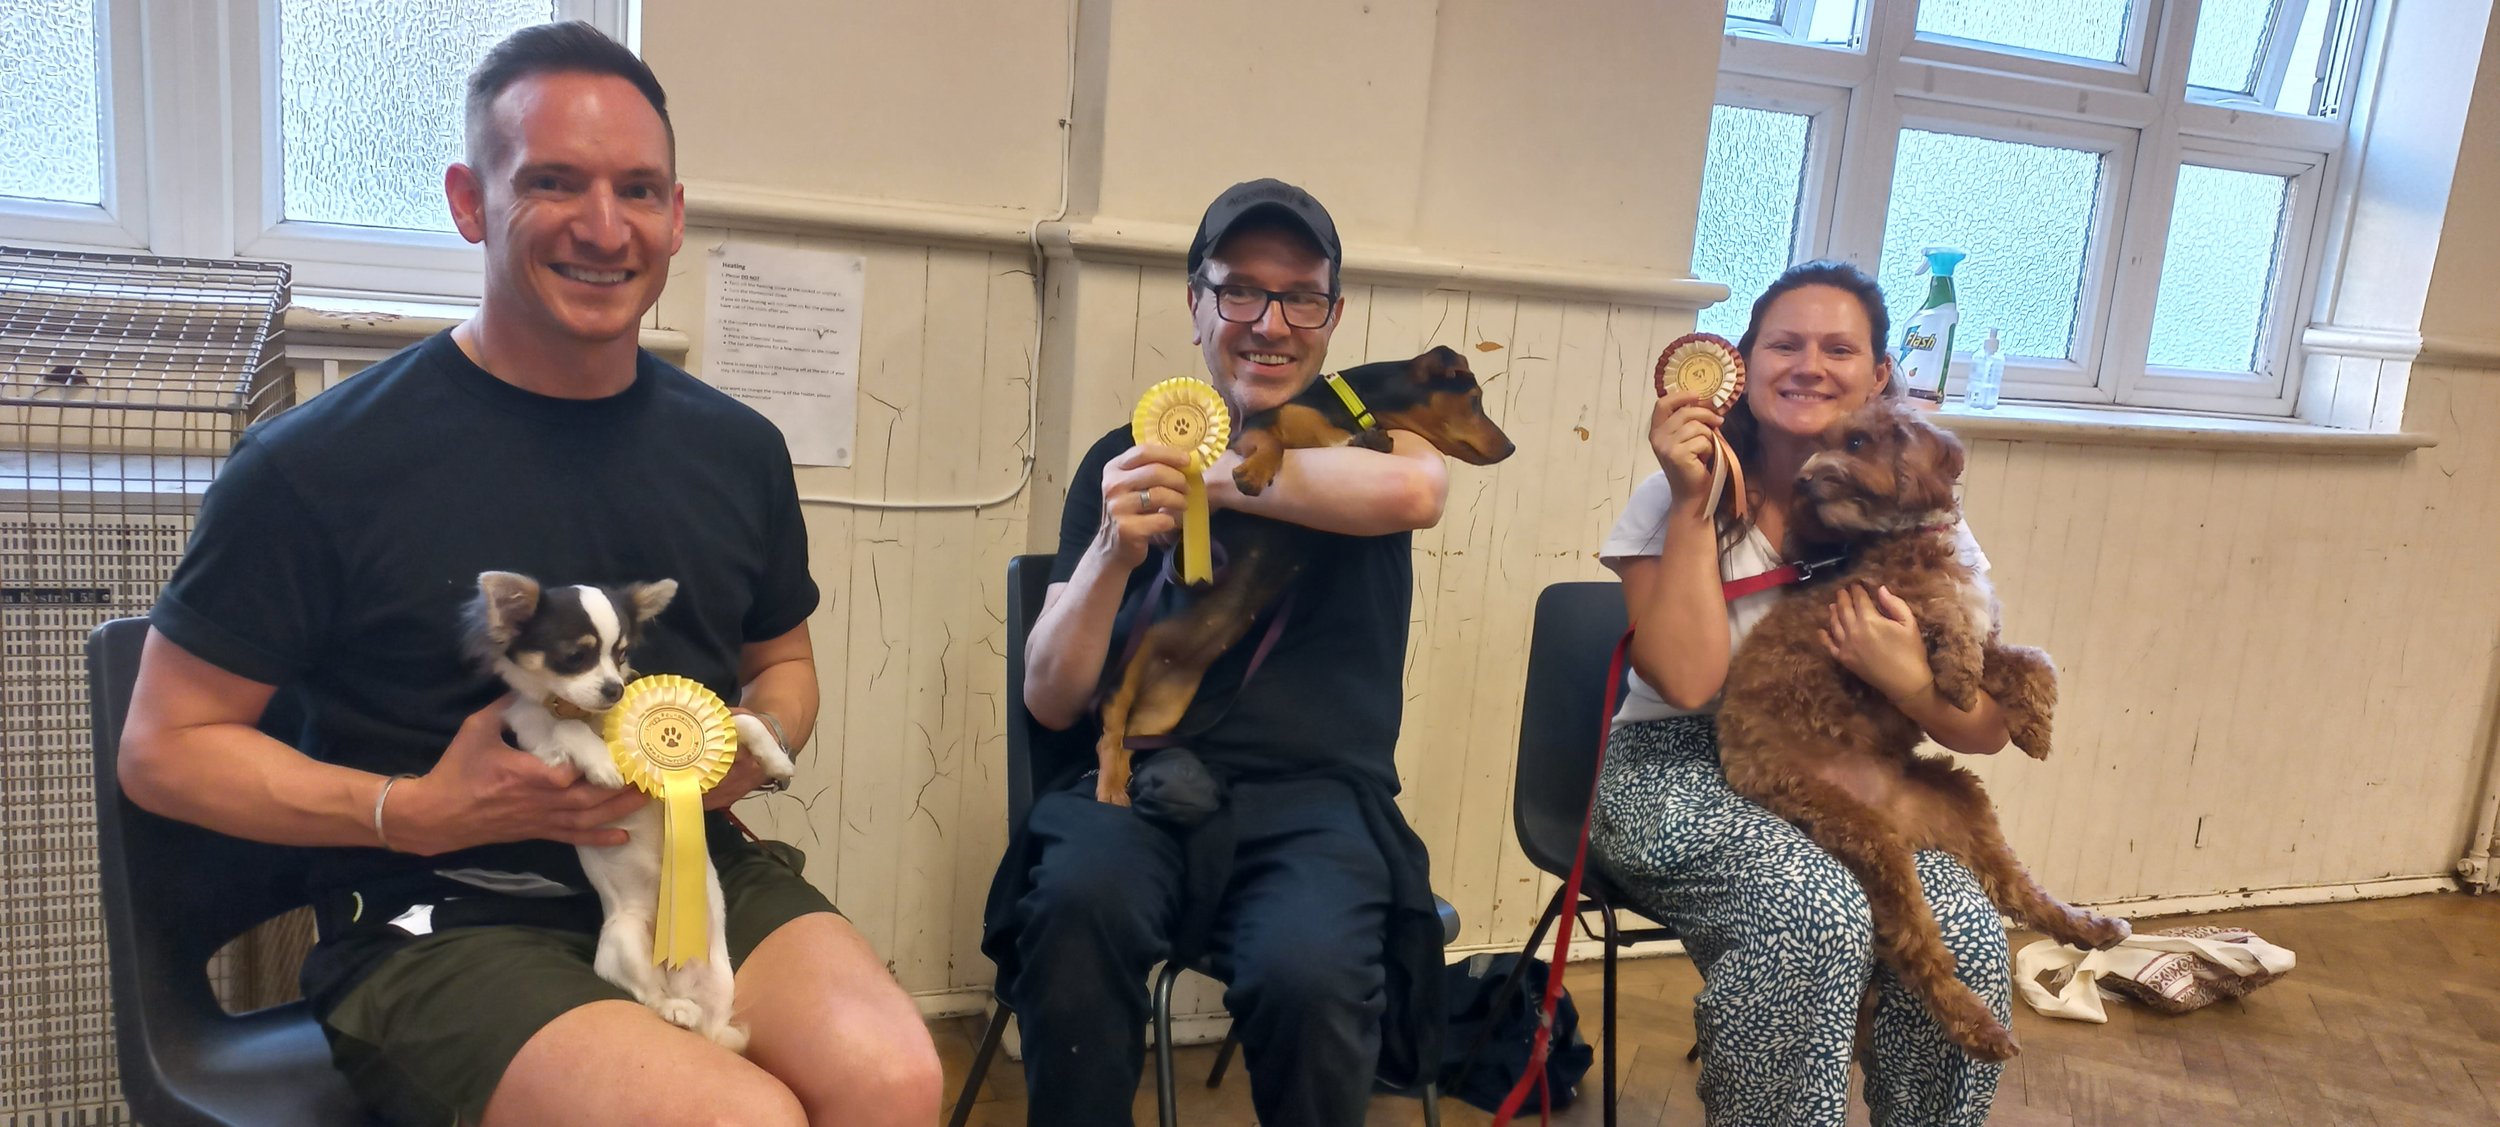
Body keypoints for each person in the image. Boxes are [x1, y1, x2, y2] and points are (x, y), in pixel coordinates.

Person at [117, 22, 939, 1127]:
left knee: (896, 1078)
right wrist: (407, 811)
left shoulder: (737, 450)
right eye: (554, 183)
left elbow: (782, 661)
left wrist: (735, 763)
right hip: (437, 914)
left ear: (677, 215)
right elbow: (162, 750)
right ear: (469, 200)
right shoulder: (315, 466)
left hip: (690, 868)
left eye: (638, 190)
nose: (605, 227)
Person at [978, 179, 1453, 1126]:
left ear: (1334, 316)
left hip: (1316, 804)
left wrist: (1214, 480)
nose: (1270, 322)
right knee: (1074, 906)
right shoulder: (1122, 457)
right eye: (1239, 290)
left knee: (1312, 973)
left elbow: (1417, 496)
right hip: (1135, 784)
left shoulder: (1374, 443)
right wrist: (1114, 552)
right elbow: (1047, 697)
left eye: (1301, 297)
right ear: (1196, 302)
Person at [1591, 260, 2014, 1126]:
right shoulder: (1672, 495)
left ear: (1881, 374)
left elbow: (1984, 730)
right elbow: (1690, 680)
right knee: (1810, 907)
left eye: (1839, 348)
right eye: (1784, 344)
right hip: (1674, 768)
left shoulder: (1919, 505)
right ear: (1742, 365)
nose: (1809, 365)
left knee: (1966, 927)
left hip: (1837, 774)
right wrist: (1689, 504)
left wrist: (1908, 683)